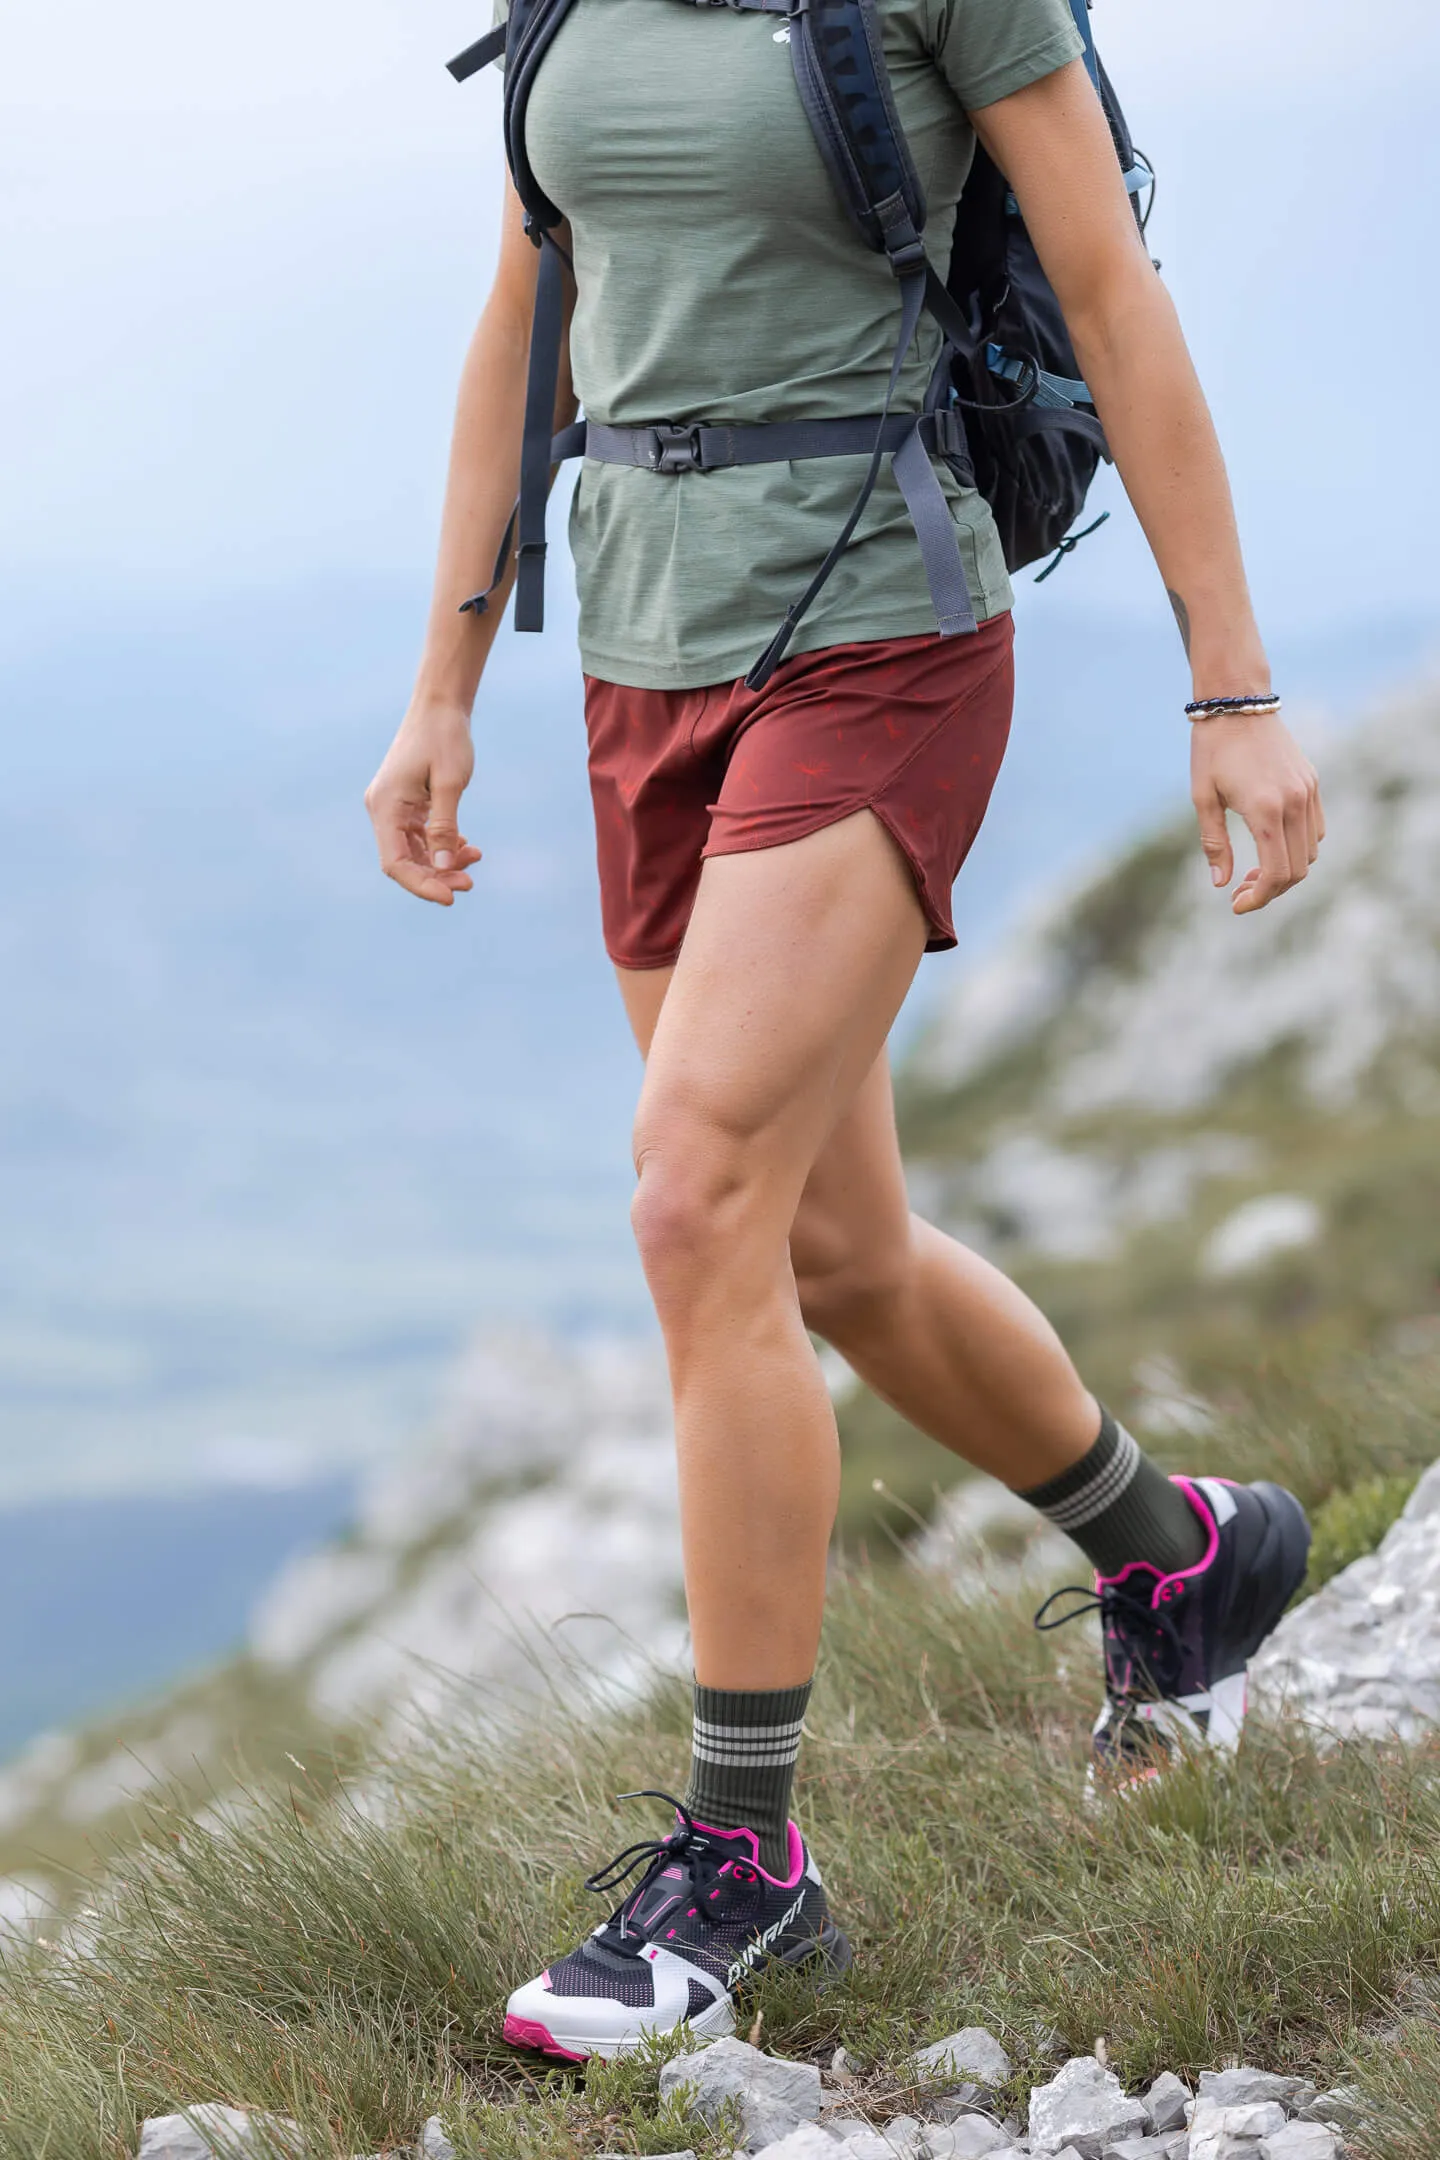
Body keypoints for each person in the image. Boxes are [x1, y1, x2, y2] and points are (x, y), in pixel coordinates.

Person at [365, 0, 1324, 2065]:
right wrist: (442, 683)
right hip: (639, 650)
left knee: (698, 1195)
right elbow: (526, 318)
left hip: (879, 625)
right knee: (835, 1253)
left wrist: (1230, 689)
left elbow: (1106, 287)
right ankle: (1183, 1559)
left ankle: (744, 1866)